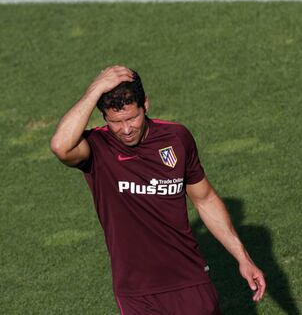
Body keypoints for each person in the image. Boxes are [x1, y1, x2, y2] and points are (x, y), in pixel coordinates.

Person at [50, 65, 266, 314]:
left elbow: (205, 199)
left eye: (132, 118)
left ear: (146, 105)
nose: (126, 129)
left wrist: (243, 257)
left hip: (189, 281)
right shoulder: (98, 147)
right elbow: (60, 146)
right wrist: (95, 89)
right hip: (136, 292)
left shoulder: (176, 138)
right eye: (116, 122)